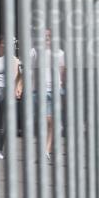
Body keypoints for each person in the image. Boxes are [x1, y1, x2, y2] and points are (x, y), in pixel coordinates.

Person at [29, 29, 65, 161]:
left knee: (49, 121)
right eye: (44, 36)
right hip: (37, 90)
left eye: (49, 36)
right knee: (43, 121)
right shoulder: (33, 52)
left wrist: (61, 86)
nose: (47, 38)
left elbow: (62, 71)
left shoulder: (60, 53)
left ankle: (46, 150)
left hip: (54, 90)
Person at [0, 35, 23, 159]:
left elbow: (21, 74)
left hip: (7, 92)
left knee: (4, 123)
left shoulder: (14, 59)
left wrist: (18, 88)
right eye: (4, 43)